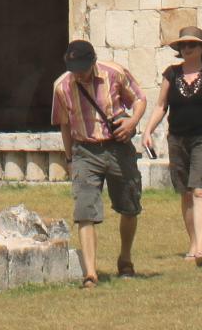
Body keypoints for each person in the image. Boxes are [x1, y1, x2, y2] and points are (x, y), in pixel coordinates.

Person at [140, 24, 202, 266]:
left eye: (192, 44)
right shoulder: (171, 74)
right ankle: (193, 243)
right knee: (186, 192)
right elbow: (160, 106)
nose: (187, 48)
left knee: (199, 189)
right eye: (183, 45)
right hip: (177, 138)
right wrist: (147, 131)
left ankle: (201, 248)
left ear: (201, 49)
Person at [50, 37, 146, 288]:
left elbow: (139, 98)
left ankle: (125, 258)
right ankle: (90, 273)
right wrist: (70, 158)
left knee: (129, 206)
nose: (79, 74)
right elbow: (64, 124)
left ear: (93, 62)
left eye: (83, 68)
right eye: (74, 70)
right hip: (84, 151)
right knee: (85, 210)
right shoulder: (61, 86)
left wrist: (132, 123)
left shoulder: (114, 73)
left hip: (118, 148)